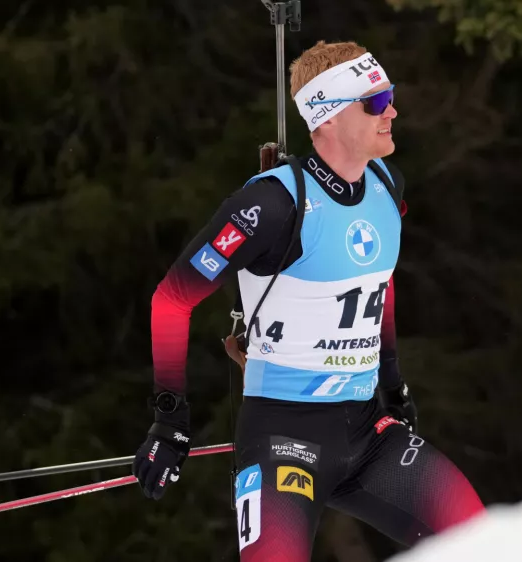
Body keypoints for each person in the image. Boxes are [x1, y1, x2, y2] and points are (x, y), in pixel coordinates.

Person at [132, 40, 485, 560]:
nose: (392, 110)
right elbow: (171, 299)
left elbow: (378, 284)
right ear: (327, 116)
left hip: (368, 433)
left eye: (389, 96)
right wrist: (170, 420)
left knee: (487, 539)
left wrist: (392, 383)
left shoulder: (387, 183)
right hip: (282, 438)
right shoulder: (272, 204)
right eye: (376, 100)